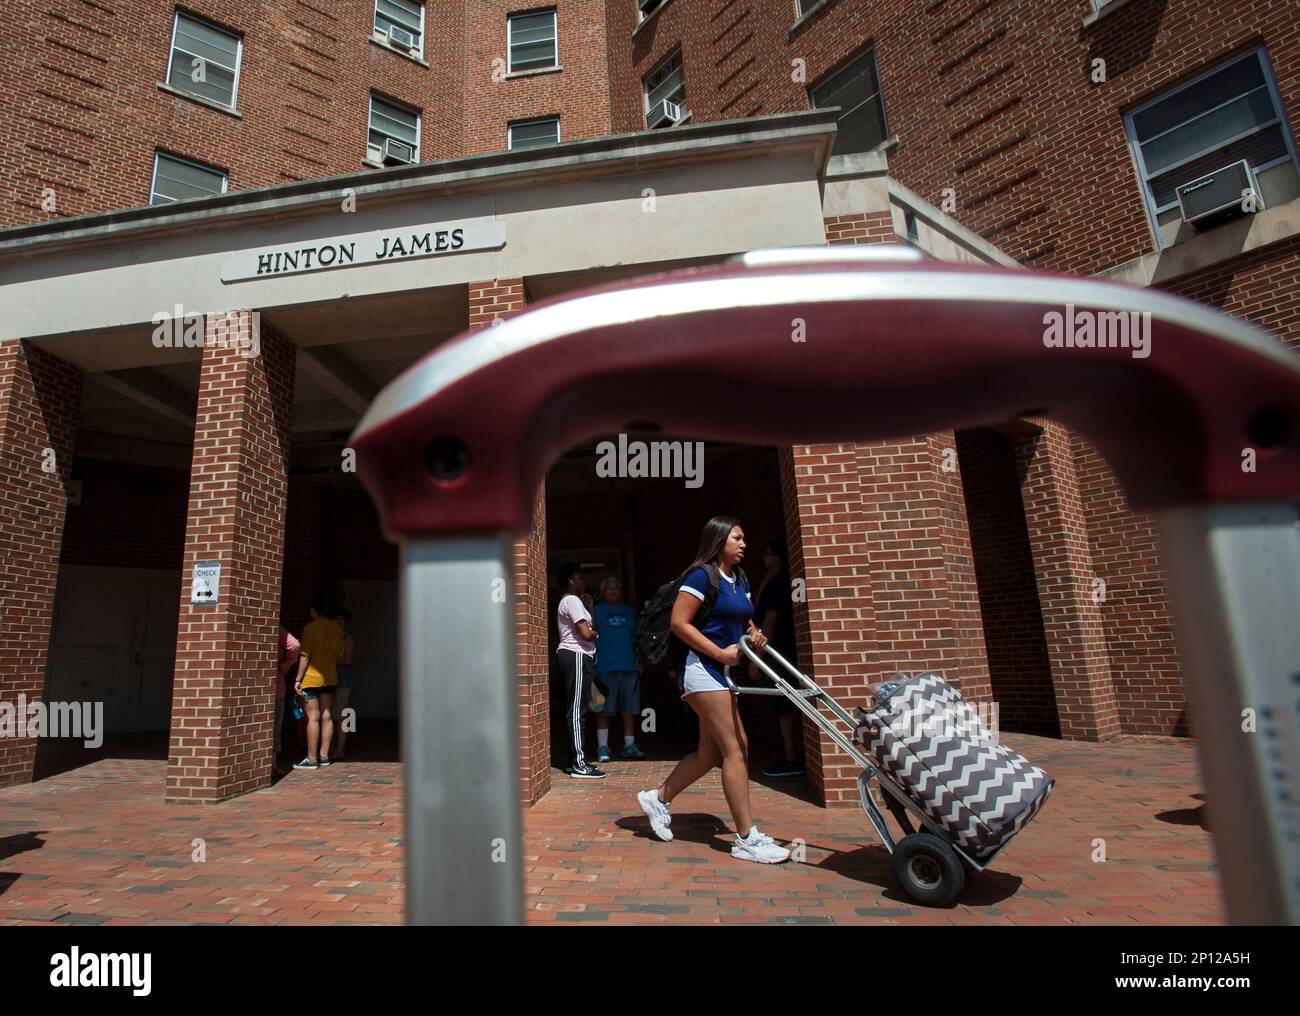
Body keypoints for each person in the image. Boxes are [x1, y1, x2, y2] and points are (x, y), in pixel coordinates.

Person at [636, 516, 790, 863]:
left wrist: (755, 633)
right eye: (737, 537)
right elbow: (679, 623)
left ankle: (657, 798)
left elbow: (743, 618)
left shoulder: (740, 578)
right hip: (702, 670)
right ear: (719, 540)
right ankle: (747, 838)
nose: (744, 543)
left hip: (724, 673)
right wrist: (720, 652)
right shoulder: (701, 576)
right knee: (737, 749)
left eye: (745, 537)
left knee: (710, 754)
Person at [755, 541, 807, 778]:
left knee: (784, 705)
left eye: (767, 553)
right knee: (781, 705)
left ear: (777, 557)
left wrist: (758, 657)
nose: (764, 558)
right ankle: (791, 755)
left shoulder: (778, 583)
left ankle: (792, 757)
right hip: (778, 650)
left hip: (779, 652)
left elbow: (770, 620)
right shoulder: (772, 581)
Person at [556, 562, 605, 779]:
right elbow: (586, 633)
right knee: (577, 710)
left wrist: (591, 609)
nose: (583, 582)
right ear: (571, 581)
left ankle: (574, 760)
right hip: (575, 654)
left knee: (578, 708)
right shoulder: (571, 600)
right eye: (580, 578)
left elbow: (588, 627)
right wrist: (596, 634)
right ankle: (579, 764)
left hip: (580, 656)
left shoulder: (576, 602)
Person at [592, 577, 645, 762]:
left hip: (628, 665)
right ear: (602, 592)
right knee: (603, 709)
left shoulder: (629, 611)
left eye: (616, 588)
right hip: (604, 666)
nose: (614, 591)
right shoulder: (596, 610)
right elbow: (588, 636)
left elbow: (637, 637)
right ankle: (603, 747)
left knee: (629, 709)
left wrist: (640, 658)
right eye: (609, 588)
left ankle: (629, 745)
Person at [293, 599, 344, 771]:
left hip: (311, 678)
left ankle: (312, 758)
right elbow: (340, 654)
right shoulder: (337, 628)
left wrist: (298, 679)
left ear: (314, 611)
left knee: (313, 718)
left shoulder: (311, 628)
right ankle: (325, 756)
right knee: (327, 716)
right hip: (330, 677)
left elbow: (305, 655)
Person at [274, 627, 301, 775]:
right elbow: (295, 645)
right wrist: (288, 663)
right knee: (274, 728)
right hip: (277, 687)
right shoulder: (278, 630)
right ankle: (272, 765)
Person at [332, 608, 355, 761]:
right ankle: (333, 747)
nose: (339, 622)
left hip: (343, 676)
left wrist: (329, 661)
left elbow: (348, 660)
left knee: (343, 714)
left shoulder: (347, 638)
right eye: (336, 619)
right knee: (333, 714)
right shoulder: (332, 636)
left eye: (342, 619)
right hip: (331, 676)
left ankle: (341, 749)